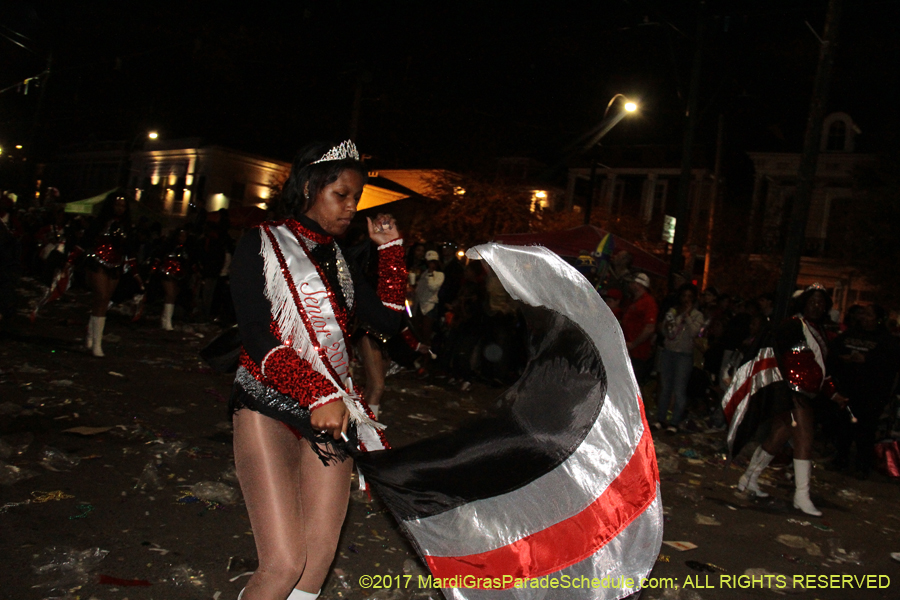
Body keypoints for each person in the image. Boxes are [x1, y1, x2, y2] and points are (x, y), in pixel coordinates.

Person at [229, 140, 407, 600]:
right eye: (341, 195)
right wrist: (315, 392)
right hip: (268, 402)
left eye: (356, 199)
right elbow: (255, 334)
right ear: (310, 186)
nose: (351, 208)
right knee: (284, 563)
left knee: (316, 563)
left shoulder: (342, 259)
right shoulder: (261, 243)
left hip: (332, 410)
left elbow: (389, 321)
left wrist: (391, 253)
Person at [735, 284, 849, 516]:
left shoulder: (819, 331)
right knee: (805, 440)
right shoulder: (793, 325)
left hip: (806, 393)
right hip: (791, 392)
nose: (817, 306)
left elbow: (821, 370)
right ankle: (801, 495)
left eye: (821, 302)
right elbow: (773, 353)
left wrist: (834, 394)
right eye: (812, 301)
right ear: (804, 303)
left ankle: (747, 479)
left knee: (778, 437)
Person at [829, 304, 900, 478]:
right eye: (863, 314)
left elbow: (889, 364)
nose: (864, 317)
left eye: (868, 314)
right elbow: (834, 351)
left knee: (866, 431)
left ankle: (862, 465)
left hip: (870, 394)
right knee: (845, 427)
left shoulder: (885, 339)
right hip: (848, 389)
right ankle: (840, 460)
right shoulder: (851, 334)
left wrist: (867, 361)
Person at [82, 191, 134, 357]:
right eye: (117, 205)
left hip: (116, 265)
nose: (120, 208)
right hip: (98, 261)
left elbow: (130, 248)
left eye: (123, 206)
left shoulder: (127, 225)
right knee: (102, 296)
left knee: (104, 301)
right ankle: (97, 343)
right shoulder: (100, 222)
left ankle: (92, 334)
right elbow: (86, 241)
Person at [655, 284, 704, 432]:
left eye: (689, 297)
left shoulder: (698, 315)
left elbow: (695, 332)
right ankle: (660, 419)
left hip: (684, 355)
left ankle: (674, 422)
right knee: (665, 388)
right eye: (684, 296)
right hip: (669, 352)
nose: (686, 300)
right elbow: (667, 331)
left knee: (679, 389)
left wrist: (687, 317)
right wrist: (676, 318)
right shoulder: (673, 311)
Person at [622, 272, 658, 385]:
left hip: (637, 352)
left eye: (632, 283)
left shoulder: (648, 302)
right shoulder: (634, 301)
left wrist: (633, 344)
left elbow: (649, 328)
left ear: (638, 285)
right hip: (629, 350)